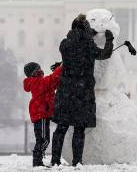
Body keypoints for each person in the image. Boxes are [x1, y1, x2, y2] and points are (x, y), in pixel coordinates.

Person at [50, 13, 114, 166]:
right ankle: (77, 161)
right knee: (79, 129)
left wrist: (86, 33)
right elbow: (104, 54)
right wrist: (109, 39)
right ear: (86, 30)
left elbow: (74, 50)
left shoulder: (64, 44)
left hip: (65, 91)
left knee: (61, 128)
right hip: (83, 93)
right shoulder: (88, 45)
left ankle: (55, 160)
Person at [23, 61, 63, 167]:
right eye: (38, 68)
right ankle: (37, 160)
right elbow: (51, 80)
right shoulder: (35, 82)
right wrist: (60, 69)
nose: (41, 70)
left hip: (43, 114)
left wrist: (57, 72)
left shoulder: (39, 82)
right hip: (41, 114)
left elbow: (52, 84)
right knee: (43, 139)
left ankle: (38, 160)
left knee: (43, 139)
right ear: (33, 72)